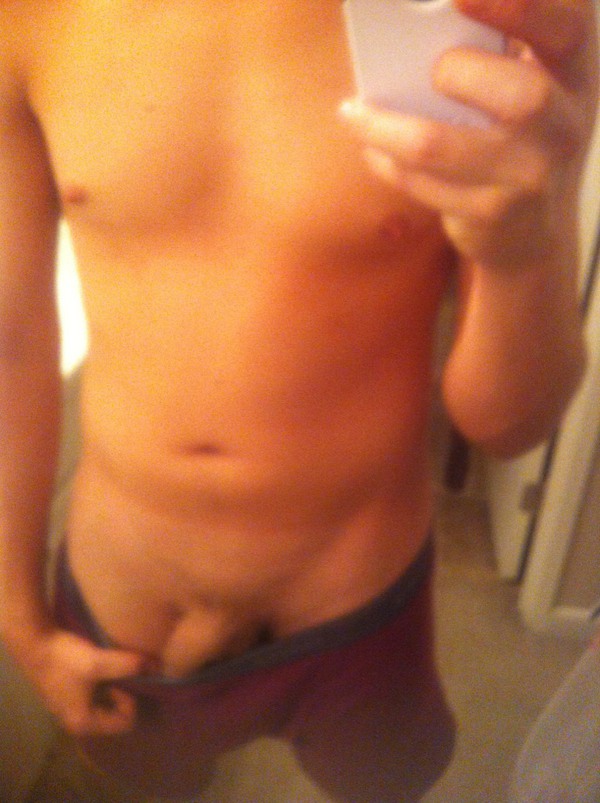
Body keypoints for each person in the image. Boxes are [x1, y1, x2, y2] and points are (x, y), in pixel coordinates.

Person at [0, 1, 597, 800]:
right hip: (123, 608)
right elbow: (9, 341)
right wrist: (19, 616)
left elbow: (509, 425)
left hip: (357, 599)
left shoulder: (483, 19)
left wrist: (524, 250)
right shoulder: (28, 18)